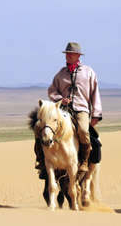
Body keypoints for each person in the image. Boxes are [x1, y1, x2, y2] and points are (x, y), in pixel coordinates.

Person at [35, 42, 102, 178]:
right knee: (40, 128)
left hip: (81, 109)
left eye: (71, 54)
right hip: (62, 109)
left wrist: (96, 114)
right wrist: (60, 98)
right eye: (67, 54)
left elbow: (95, 93)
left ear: (78, 55)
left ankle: (83, 161)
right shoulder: (61, 74)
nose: (68, 56)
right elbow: (52, 90)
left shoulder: (88, 72)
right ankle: (42, 161)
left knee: (83, 131)